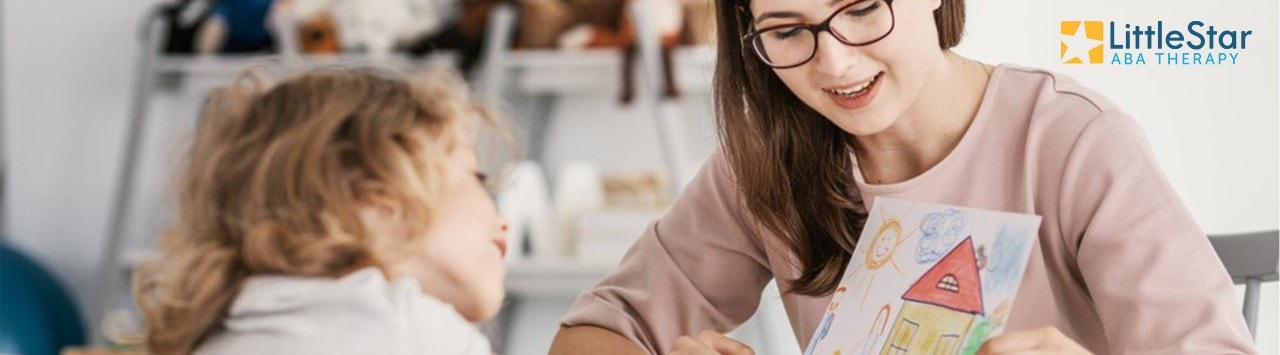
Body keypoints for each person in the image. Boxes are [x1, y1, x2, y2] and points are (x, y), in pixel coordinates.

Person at [547, 0, 1257, 353]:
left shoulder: (1073, 140)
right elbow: (595, 331)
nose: (836, 64)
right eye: (788, 30)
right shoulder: (765, 163)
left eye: (861, 8)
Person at [131, 65, 510, 355]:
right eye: (478, 178)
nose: (503, 219)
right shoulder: (414, 331)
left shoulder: (222, 333)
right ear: (376, 208)